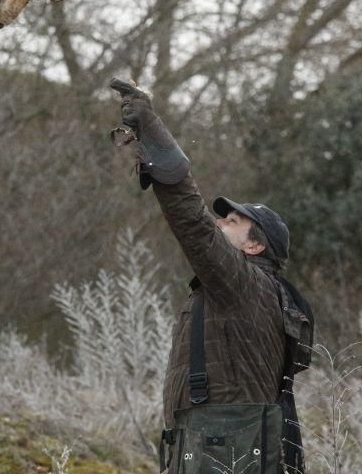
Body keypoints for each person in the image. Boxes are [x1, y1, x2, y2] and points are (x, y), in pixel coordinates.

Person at [110, 78, 306, 474]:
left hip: (226, 447)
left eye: (231, 221)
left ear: (255, 247)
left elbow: (193, 223)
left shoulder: (246, 284)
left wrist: (152, 133)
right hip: (213, 442)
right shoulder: (241, 290)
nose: (219, 223)